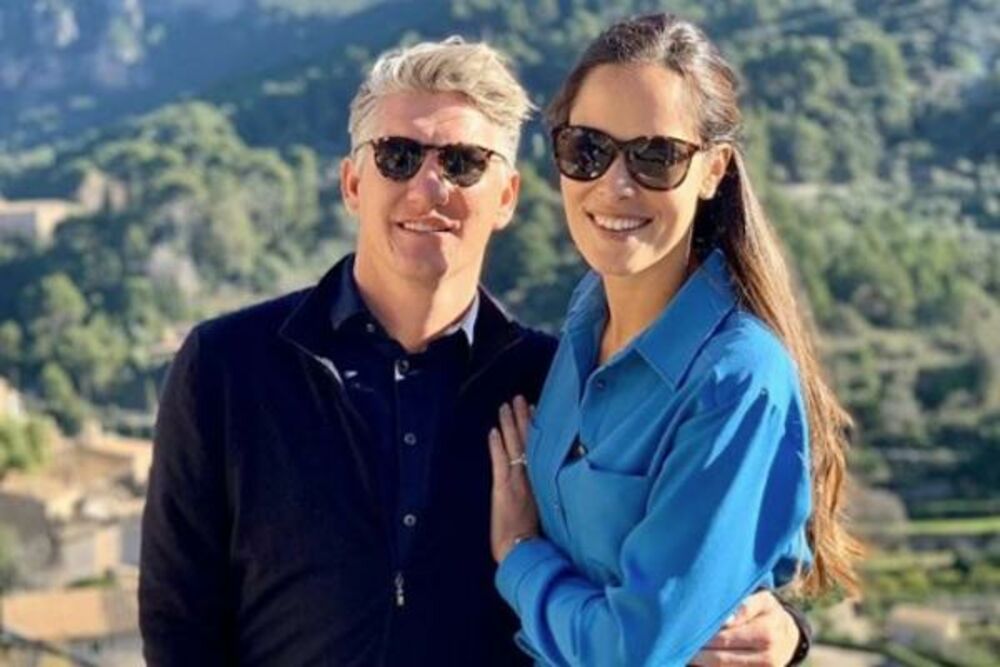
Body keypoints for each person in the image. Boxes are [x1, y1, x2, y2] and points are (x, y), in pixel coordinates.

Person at [139, 37, 812, 665]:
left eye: (462, 163)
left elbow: (669, 564)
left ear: (507, 196)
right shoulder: (227, 366)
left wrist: (783, 631)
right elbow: (179, 620)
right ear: (352, 184)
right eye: (397, 156)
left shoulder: (552, 382)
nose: (430, 187)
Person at [488, 14, 862, 667]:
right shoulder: (586, 317)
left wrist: (519, 557)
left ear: (714, 170)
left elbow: (631, 651)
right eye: (588, 149)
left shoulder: (735, 380)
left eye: (655, 156)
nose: (615, 184)